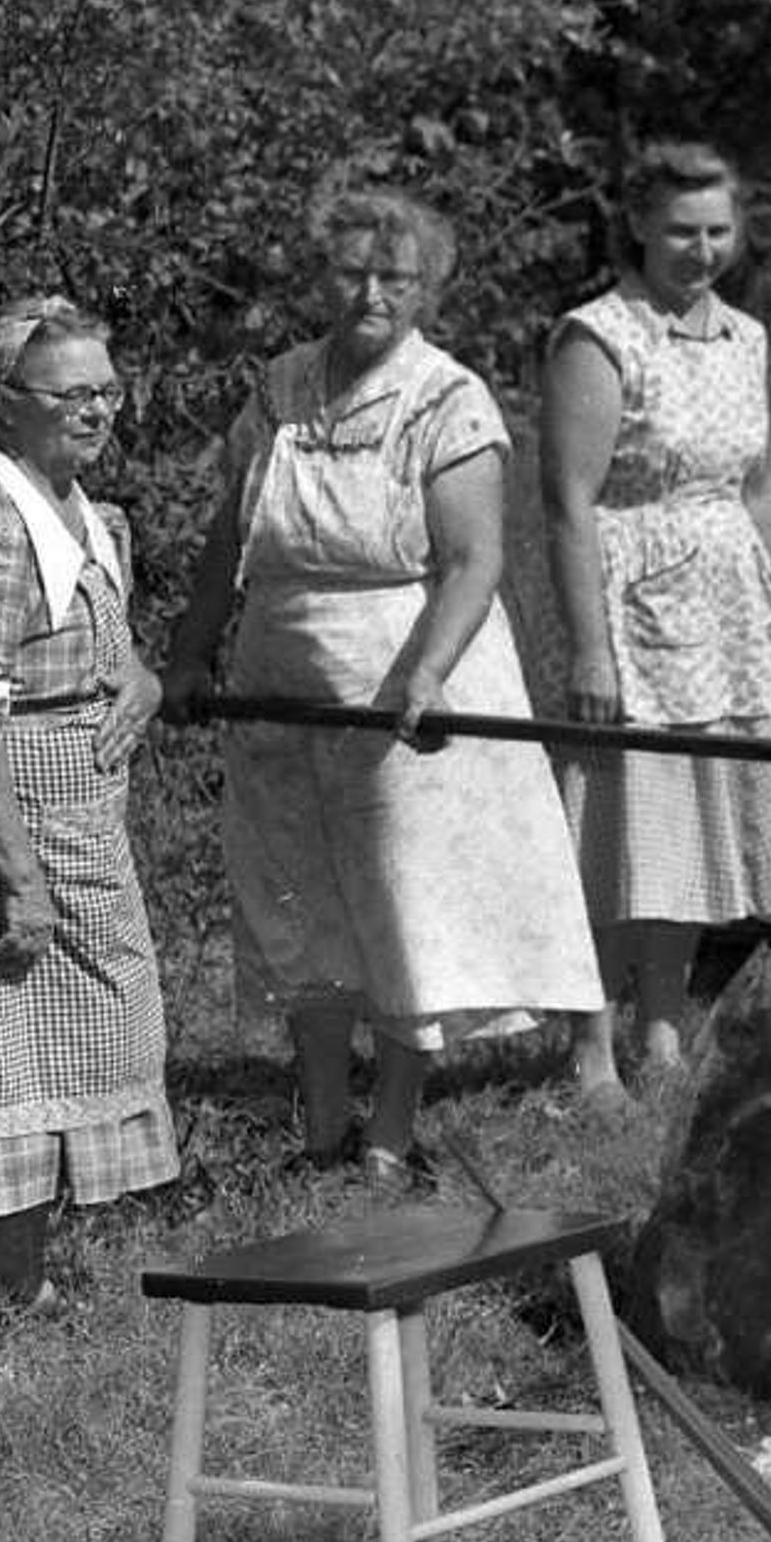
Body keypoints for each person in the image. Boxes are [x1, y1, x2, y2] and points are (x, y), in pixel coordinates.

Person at [165, 185, 604, 1169]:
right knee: (300, 902)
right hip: (280, 678)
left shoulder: (448, 399)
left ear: (428, 290)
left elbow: (471, 561)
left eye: (394, 278)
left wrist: (423, 675)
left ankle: (391, 1137)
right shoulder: (278, 389)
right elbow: (227, 540)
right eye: (352, 272)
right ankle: (322, 1125)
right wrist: (190, 656)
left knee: (406, 901)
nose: (370, 293)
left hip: (403, 688)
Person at [538, 139, 771, 1093]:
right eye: (682, 231)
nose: (700, 250)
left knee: (695, 824)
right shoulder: (599, 335)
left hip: (728, 608)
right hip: (631, 597)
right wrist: (588, 649)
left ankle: (661, 1026)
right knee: (617, 824)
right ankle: (588, 1043)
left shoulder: (745, 336)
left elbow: (760, 483)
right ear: (641, 227)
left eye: (718, 231)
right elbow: (568, 500)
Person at [0, 298, 176, 1302]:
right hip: (8, 818)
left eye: (108, 390)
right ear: (5, 406)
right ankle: (13, 1280)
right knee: (4, 1045)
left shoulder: (86, 510)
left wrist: (141, 676)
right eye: (72, 394)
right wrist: (21, 882)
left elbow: (100, 641)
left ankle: (19, 1274)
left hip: (85, 815)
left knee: (84, 1030)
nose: (97, 411)